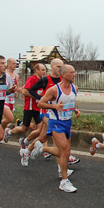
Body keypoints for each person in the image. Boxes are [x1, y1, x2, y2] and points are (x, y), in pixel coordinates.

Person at [38, 64, 81, 193]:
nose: (74, 75)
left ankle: (42, 148)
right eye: (71, 73)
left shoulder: (75, 88)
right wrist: (55, 106)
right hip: (56, 122)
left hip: (67, 122)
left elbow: (72, 100)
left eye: (74, 72)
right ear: (63, 75)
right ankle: (64, 181)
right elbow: (41, 103)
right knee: (65, 151)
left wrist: (75, 109)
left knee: (65, 152)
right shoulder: (54, 90)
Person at [20, 59, 63, 165]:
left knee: (43, 137)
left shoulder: (63, 80)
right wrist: (40, 98)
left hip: (56, 112)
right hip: (45, 111)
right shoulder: (45, 80)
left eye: (61, 67)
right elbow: (31, 90)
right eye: (57, 66)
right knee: (56, 134)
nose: (60, 69)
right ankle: (62, 167)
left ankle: (27, 151)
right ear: (52, 67)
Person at [10, 63, 46, 164]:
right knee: (24, 129)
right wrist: (37, 96)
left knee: (41, 129)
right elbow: (24, 92)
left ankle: (40, 148)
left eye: (45, 70)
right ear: (37, 70)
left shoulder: (44, 81)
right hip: (29, 107)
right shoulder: (31, 79)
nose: (44, 72)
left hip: (39, 108)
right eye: (42, 70)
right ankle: (10, 132)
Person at [1, 57, 19, 142]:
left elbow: (17, 87)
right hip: (4, 99)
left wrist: (20, 89)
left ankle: (0, 133)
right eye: (13, 63)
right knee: (9, 118)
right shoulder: (3, 74)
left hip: (12, 99)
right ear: (8, 64)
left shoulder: (16, 76)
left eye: (16, 63)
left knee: (6, 120)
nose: (15, 65)